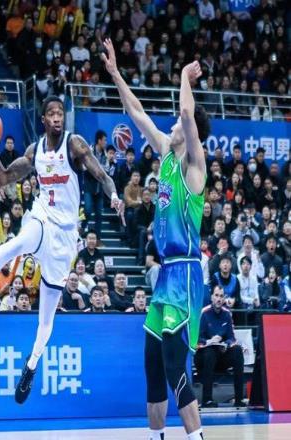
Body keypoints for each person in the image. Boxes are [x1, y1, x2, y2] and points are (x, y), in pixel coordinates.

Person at [0, 95, 123, 404]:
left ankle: (32, 364)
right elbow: (4, 178)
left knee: (46, 318)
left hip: (64, 238)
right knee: (17, 243)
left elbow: (102, 175)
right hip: (42, 219)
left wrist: (115, 196)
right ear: (43, 120)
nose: (57, 117)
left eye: (60, 113)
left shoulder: (74, 144)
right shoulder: (34, 151)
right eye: (51, 113)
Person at [102, 39, 211, 440]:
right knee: (152, 363)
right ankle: (156, 436)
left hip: (185, 274)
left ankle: (196, 437)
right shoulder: (165, 151)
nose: (173, 124)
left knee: (174, 366)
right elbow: (136, 112)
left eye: (180, 124)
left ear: (192, 132)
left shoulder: (194, 166)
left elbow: (187, 111)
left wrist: (183, 76)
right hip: (165, 275)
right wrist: (115, 74)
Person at [195, 285, 245, 408]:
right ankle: (207, 400)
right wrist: (210, 341)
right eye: (216, 295)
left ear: (224, 298)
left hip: (221, 354)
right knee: (210, 353)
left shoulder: (227, 314)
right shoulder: (204, 313)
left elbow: (231, 338)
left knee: (237, 351)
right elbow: (197, 340)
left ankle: (239, 399)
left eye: (221, 296)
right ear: (212, 297)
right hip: (204, 355)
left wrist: (226, 344)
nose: (219, 299)